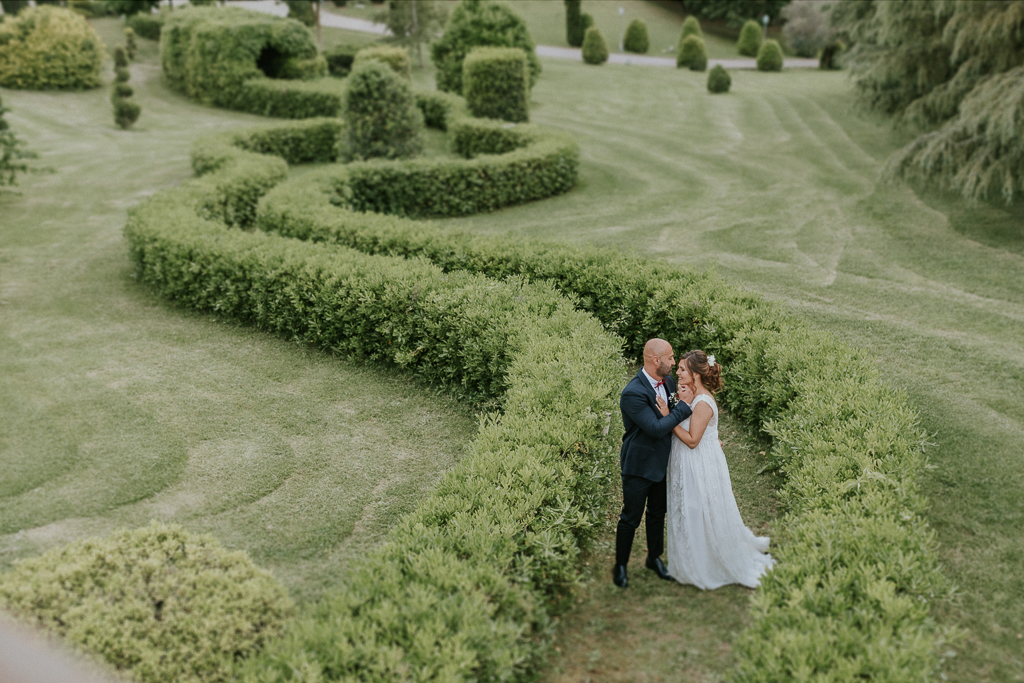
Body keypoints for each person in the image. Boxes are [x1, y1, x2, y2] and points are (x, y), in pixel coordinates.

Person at [656, 350, 774, 589]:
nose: (677, 373)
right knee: (690, 507)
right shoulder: (691, 396)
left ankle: (706, 563)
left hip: (698, 461)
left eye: (681, 369)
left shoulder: (702, 402)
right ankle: (692, 558)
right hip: (691, 459)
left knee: (700, 507)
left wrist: (669, 418)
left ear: (695, 375)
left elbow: (691, 440)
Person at [613, 338, 693, 588]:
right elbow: (657, 428)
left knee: (658, 513)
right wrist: (683, 408)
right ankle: (621, 565)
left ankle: (653, 558)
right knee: (630, 518)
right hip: (639, 465)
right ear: (655, 360)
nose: (673, 361)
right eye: (670, 358)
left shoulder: (668, 382)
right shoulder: (632, 393)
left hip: (663, 461)